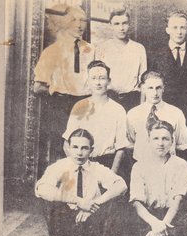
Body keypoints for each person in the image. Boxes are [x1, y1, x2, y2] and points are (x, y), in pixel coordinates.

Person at [35, 129, 127, 236]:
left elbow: (121, 185)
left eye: (84, 148)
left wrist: (93, 204)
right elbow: (42, 188)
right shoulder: (59, 166)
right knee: (48, 197)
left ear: (91, 150)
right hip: (66, 218)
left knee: (117, 197)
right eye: (75, 147)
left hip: (91, 216)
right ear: (68, 148)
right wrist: (78, 201)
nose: (79, 152)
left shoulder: (96, 168)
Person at [34, 5, 95, 165]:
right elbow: (38, 87)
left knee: (85, 146)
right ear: (65, 23)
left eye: (83, 20)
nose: (79, 24)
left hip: (85, 106)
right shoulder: (52, 51)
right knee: (62, 149)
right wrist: (58, 92)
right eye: (73, 20)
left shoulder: (92, 50)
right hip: (60, 106)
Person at [129, 120, 187, 236]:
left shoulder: (180, 164)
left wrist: (163, 225)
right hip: (149, 216)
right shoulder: (139, 166)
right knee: (129, 224)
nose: (160, 143)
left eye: (165, 139)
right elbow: (136, 202)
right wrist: (155, 224)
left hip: (172, 216)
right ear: (149, 140)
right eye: (156, 138)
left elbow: (178, 200)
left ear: (172, 141)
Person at [62, 61, 127, 179]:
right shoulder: (79, 106)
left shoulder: (118, 110)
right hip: (81, 163)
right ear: (88, 81)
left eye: (102, 78)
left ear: (109, 81)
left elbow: (121, 148)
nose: (98, 83)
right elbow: (66, 143)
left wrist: (111, 176)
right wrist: (77, 167)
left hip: (107, 164)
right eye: (93, 78)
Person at [150, 10, 187, 129]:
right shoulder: (156, 55)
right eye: (175, 27)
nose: (179, 32)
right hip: (164, 110)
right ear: (167, 30)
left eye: (182, 27)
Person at [125, 71, 187, 164]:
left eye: (158, 88)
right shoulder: (133, 114)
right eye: (150, 88)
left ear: (163, 88)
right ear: (143, 88)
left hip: (168, 166)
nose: (155, 93)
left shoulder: (176, 113)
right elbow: (130, 143)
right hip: (142, 165)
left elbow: (181, 145)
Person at [96, 8, 147, 112]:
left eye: (124, 23)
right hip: (109, 99)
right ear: (110, 25)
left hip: (132, 100)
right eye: (117, 24)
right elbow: (98, 79)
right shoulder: (102, 48)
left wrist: (142, 107)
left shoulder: (138, 48)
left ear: (129, 24)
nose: (121, 28)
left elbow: (143, 81)